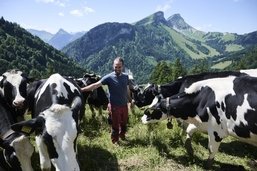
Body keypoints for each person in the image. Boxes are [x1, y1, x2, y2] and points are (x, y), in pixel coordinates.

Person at [81, 57, 132, 144]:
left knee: (124, 122)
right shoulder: (109, 77)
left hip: (124, 105)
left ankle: (122, 135)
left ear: (123, 66)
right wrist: (82, 89)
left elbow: (127, 89)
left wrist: (130, 100)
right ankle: (115, 140)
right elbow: (95, 85)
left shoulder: (126, 77)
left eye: (119, 67)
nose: (117, 69)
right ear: (113, 66)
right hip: (114, 106)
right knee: (115, 124)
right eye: (116, 67)